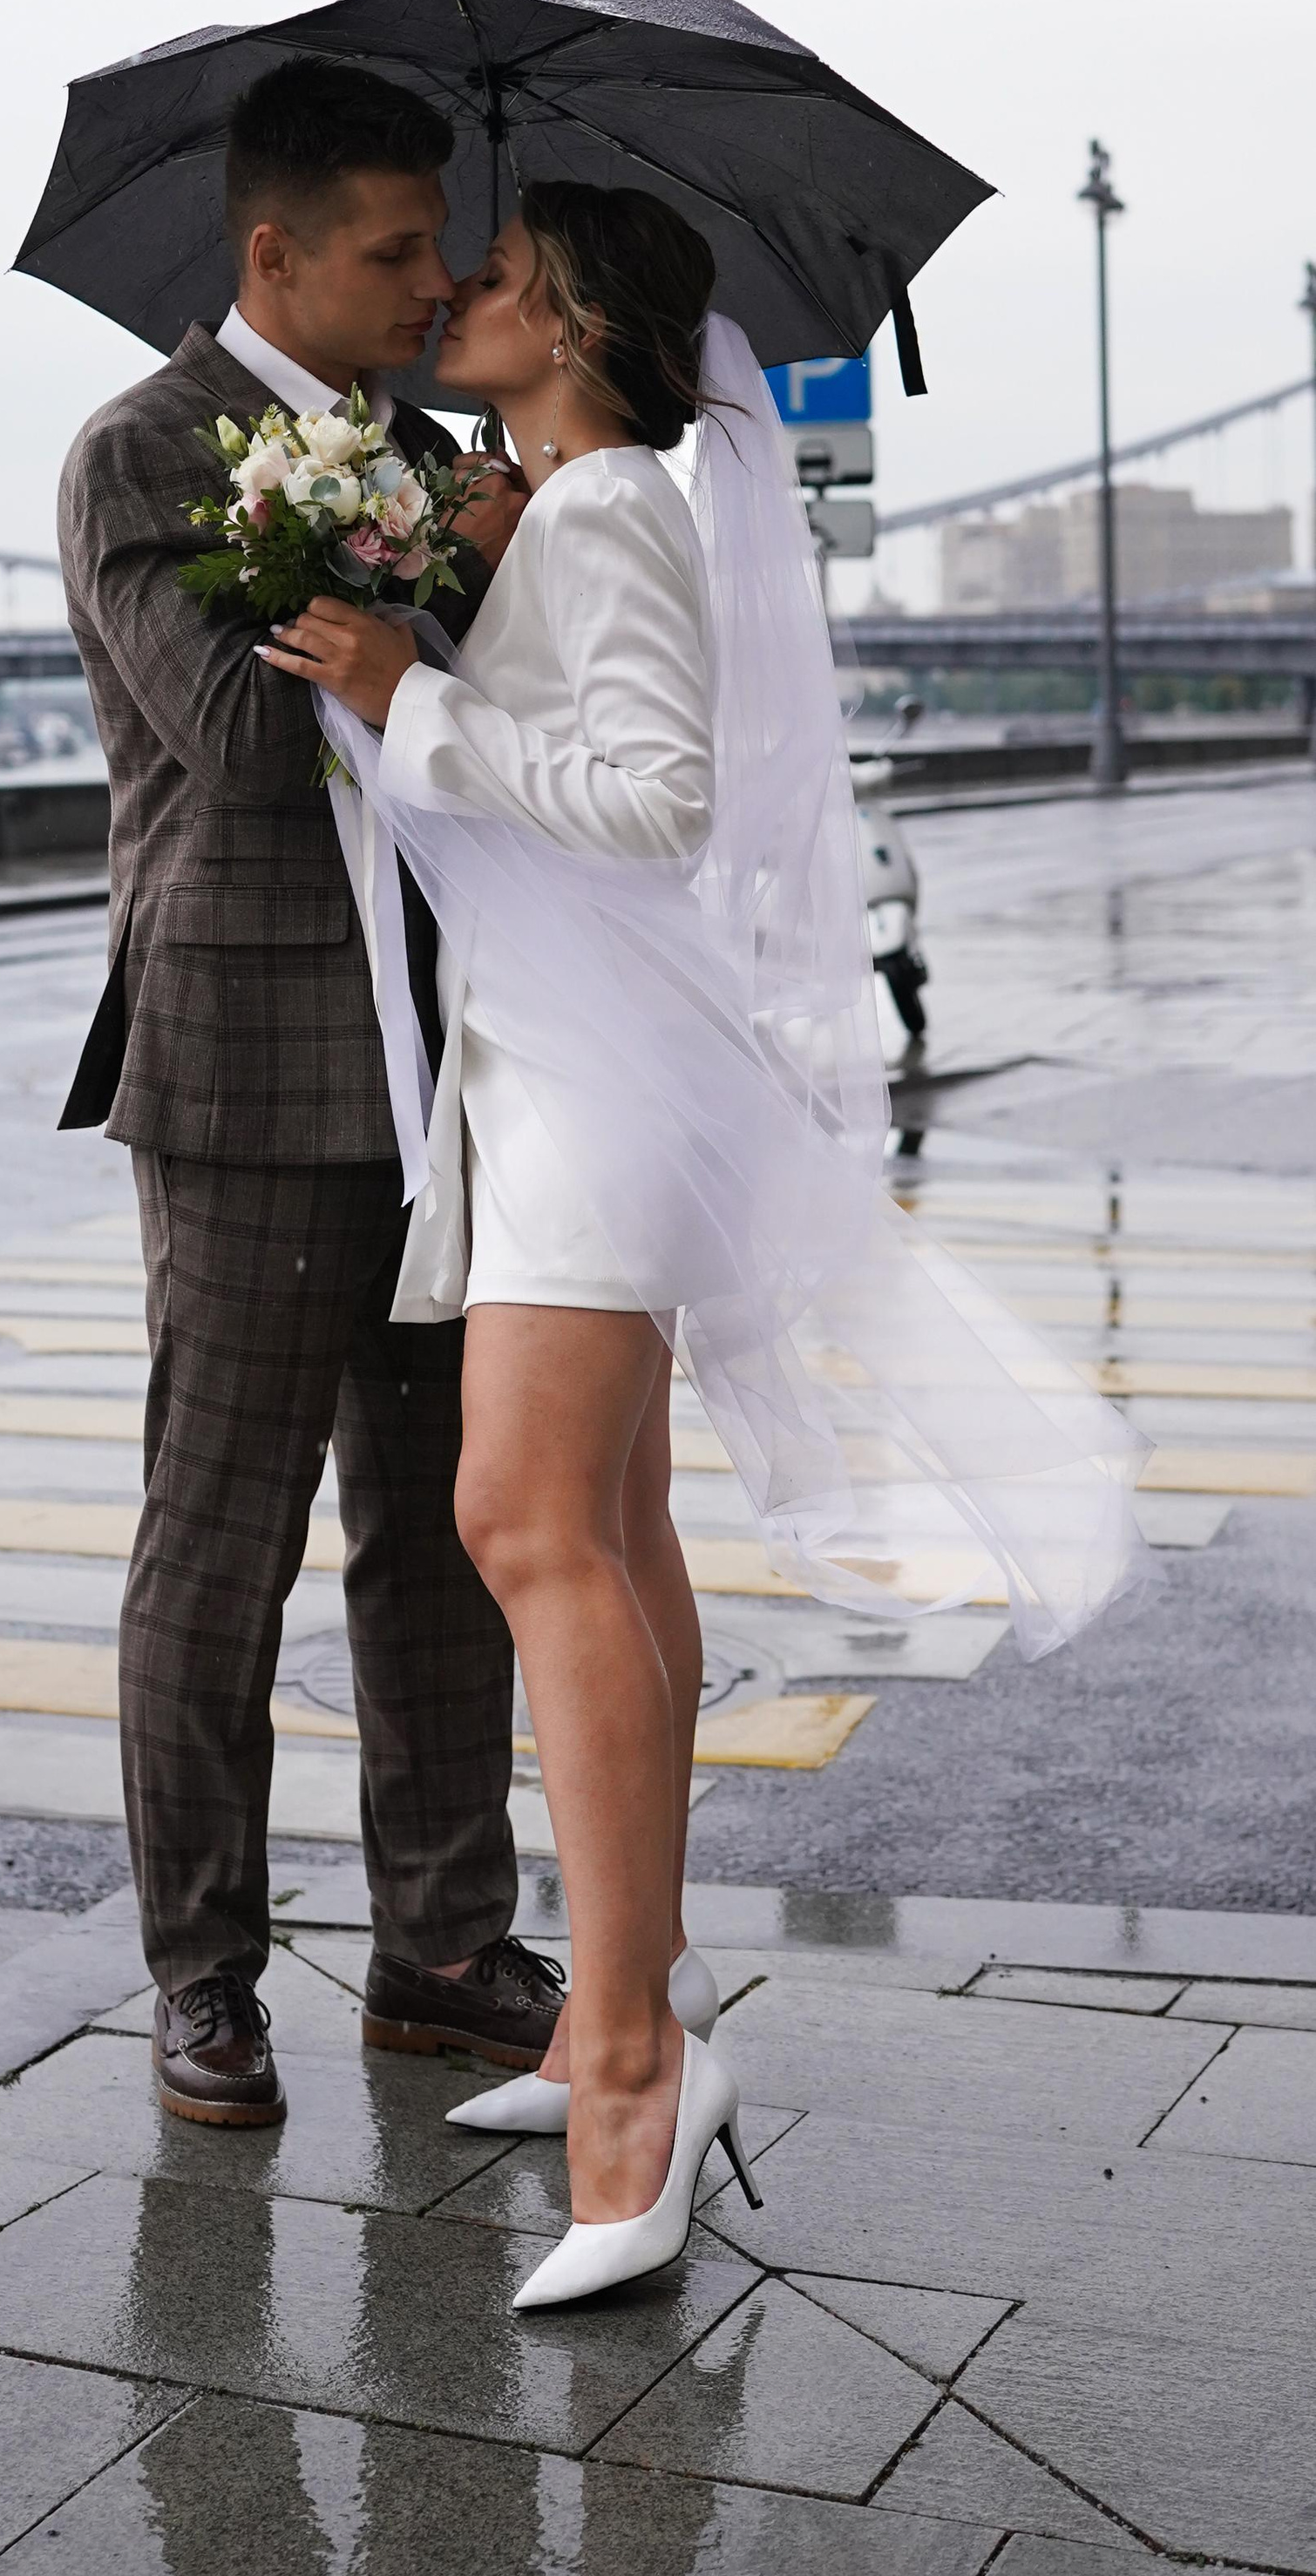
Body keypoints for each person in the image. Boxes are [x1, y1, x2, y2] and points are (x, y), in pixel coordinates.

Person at [264, 180, 1144, 2304]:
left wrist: (405, 685)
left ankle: (635, 2079)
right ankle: (615, 2017)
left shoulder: (612, 507)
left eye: (484, 275)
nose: (448, 296)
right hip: (566, 1075)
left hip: (593, 1093)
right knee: (614, 1536)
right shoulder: (560, 506)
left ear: (563, 318)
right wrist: (453, 599)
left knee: (520, 1523)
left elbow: (655, 797)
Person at [56, 56, 561, 2131]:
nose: (429, 281)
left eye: (437, 245)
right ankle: (204, 1974)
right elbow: (243, 742)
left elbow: (500, 729)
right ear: (271, 253)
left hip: (447, 1070)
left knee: (442, 1543)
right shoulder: (140, 453)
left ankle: (440, 1952)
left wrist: (488, 544)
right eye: (389, 250)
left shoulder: (439, 450)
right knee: (220, 1544)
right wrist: (419, 557)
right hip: (251, 1072)